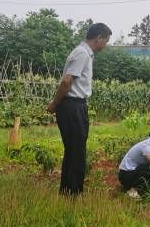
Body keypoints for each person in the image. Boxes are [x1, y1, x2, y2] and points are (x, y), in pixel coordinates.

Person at [47, 23, 112, 196]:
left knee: (73, 150)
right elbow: (67, 81)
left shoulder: (83, 53)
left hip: (74, 105)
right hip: (72, 106)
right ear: (99, 38)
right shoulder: (82, 53)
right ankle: (73, 193)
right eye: (106, 40)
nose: (105, 45)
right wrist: (54, 104)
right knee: (77, 152)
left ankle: (67, 192)